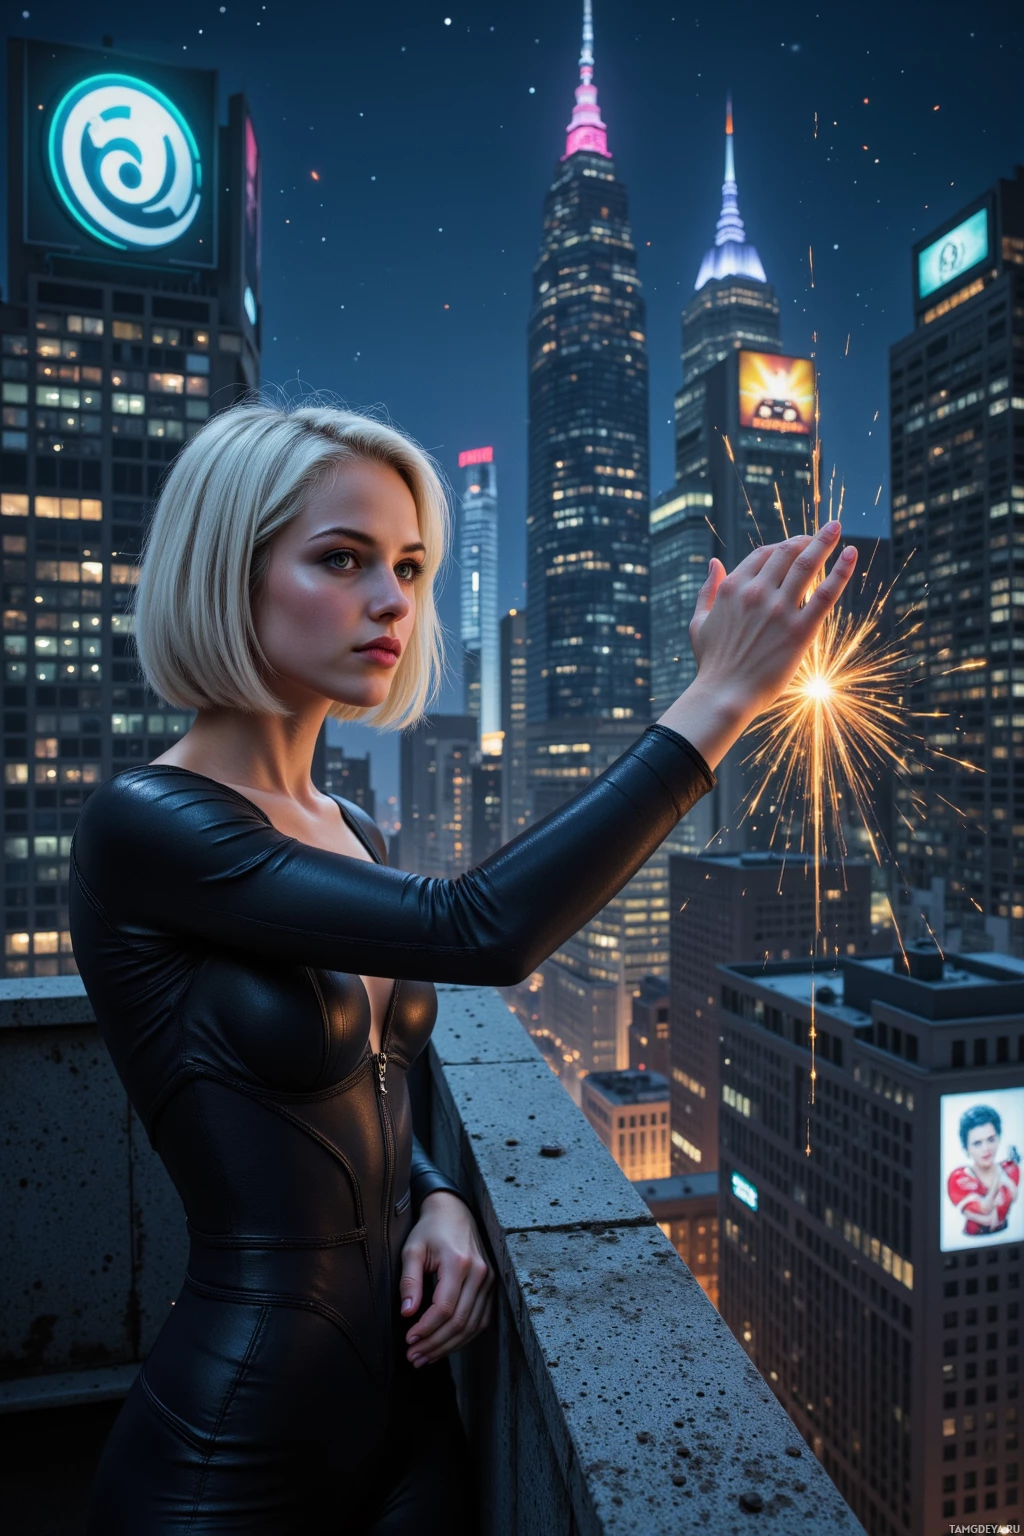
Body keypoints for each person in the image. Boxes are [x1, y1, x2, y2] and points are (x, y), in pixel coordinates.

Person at [69, 402, 857, 1534]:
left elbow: (375, 1086)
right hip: (227, 1451)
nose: (392, 600)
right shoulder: (146, 823)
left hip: (415, 1421)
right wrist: (717, 697)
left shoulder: (349, 825)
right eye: (341, 560)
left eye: (409, 565)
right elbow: (478, 929)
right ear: (224, 572)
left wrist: (434, 1193)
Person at [947, 1104, 1021, 1238]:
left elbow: (1014, 1197)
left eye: (991, 1139)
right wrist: (998, 1180)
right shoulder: (959, 1178)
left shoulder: (1010, 1169)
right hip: (970, 1240)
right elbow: (984, 1209)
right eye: (977, 1143)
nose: (986, 1149)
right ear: (966, 1148)